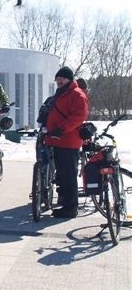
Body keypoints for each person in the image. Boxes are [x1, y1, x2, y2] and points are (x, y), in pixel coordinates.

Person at [44, 66, 89, 218]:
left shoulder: (76, 94)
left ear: (69, 79)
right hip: (58, 140)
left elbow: (79, 115)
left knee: (69, 175)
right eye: (57, 79)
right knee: (63, 174)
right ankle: (65, 203)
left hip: (68, 141)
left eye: (61, 78)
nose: (59, 81)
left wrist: (61, 128)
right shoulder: (61, 93)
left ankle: (71, 207)